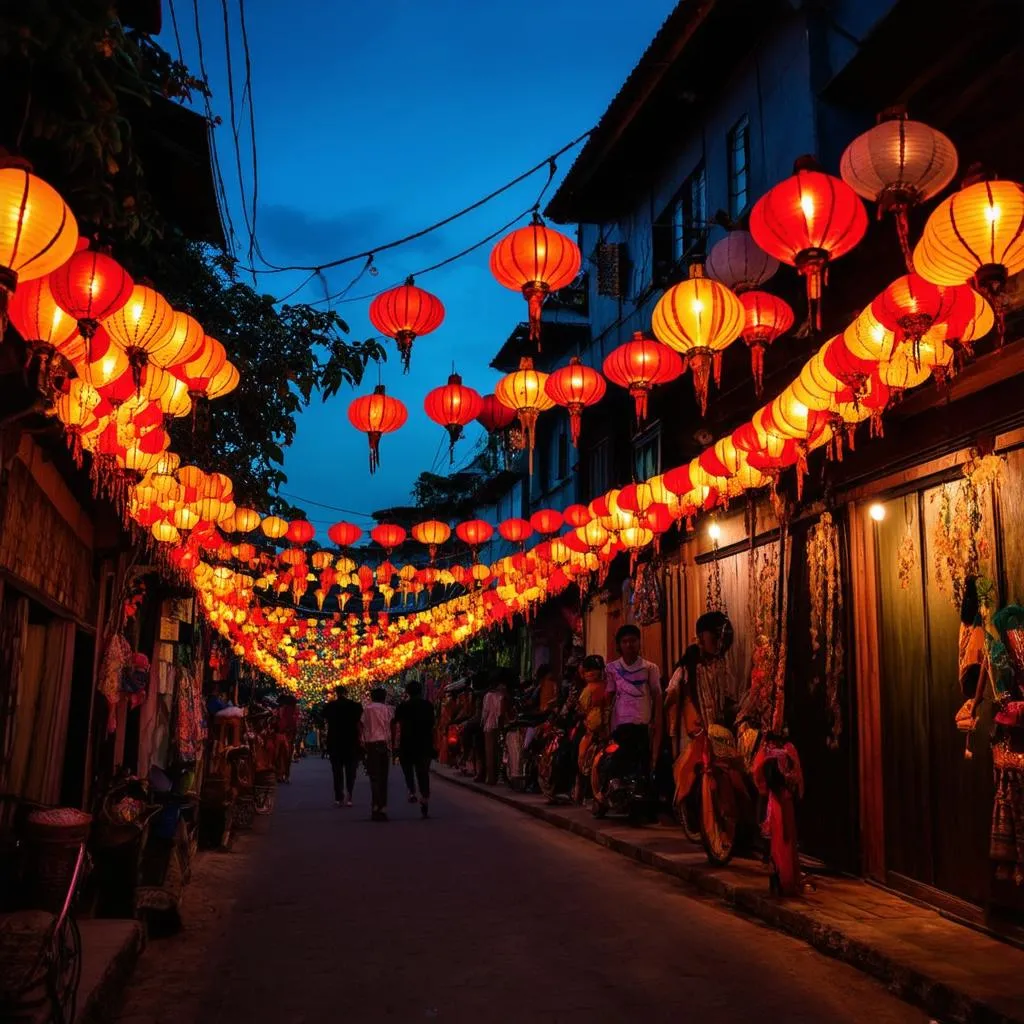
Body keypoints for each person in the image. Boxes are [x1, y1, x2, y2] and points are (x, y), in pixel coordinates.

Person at [604, 624, 663, 781]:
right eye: (625, 641)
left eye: (633, 640)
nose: (629, 645)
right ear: (619, 645)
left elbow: (657, 695)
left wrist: (656, 720)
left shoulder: (650, 668)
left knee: (643, 765)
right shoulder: (612, 668)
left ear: (639, 642)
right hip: (620, 725)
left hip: (643, 724)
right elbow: (609, 696)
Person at [392, 679, 435, 818]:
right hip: (424, 743)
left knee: (408, 770)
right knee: (423, 772)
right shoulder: (428, 706)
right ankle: (425, 798)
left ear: (407, 692)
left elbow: (396, 725)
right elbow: (432, 724)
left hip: (407, 743)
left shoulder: (403, 706)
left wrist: (395, 745)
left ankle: (411, 791)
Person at [323, 685, 363, 807]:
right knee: (351, 770)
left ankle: (338, 797)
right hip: (351, 741)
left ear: (336, 693)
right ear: (347, 692)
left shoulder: (330, 706)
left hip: (335, 742)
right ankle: (349, 794)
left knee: (337, 771)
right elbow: (359, 721)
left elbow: (322, 716)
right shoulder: (355, 706)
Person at [575, 654, 608, 803]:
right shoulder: (602, 686)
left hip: (600, 729)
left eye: (595, 670)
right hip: (595, 729)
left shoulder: (593, 688)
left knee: (582, 757)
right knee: (582, 756)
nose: (592, 673)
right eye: (589, 670)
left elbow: (581, 708)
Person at [360, 687, 394, 821]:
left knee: (374, 777)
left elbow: (363, 725)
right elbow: (390, 726)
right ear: (384, 697)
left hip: (371, 745)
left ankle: (375, 806)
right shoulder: (387, 709)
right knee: (384, 777)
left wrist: (363, 741)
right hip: (384, 744)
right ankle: (383, 807)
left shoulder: (367, 709)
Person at [480, 673, 511, 785]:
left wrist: (482, 723)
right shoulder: (503, 696)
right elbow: (502, 712)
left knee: (490, 753)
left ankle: (491, 778)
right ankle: (497, 776)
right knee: (498, 752)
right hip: (499, 725)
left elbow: (485, 712)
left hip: (489, 725)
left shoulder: (488, 696)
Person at [275, 693, 300, 783]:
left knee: (281, 756)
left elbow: (279, 722)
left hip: (282, 734)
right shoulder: (294, 710)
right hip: (288, 735)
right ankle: (286, 775)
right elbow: (296, 723)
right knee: (287, 756)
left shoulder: (282, 710)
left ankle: (280, 775)